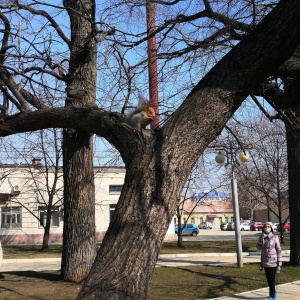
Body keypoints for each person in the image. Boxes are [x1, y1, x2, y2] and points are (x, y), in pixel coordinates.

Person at [256, 222, 282, 300]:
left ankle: (272, 295)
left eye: (268, 226)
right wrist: (259, 243)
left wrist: (279, 260)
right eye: (265, 226)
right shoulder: (261, 236)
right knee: (268, 278)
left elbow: (279, 249)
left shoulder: (275, 237)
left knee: (271, 278)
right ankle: (273, 291)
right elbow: (259, 248)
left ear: (271, 228)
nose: (267, 228)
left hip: (273, 260)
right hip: (265, 261)